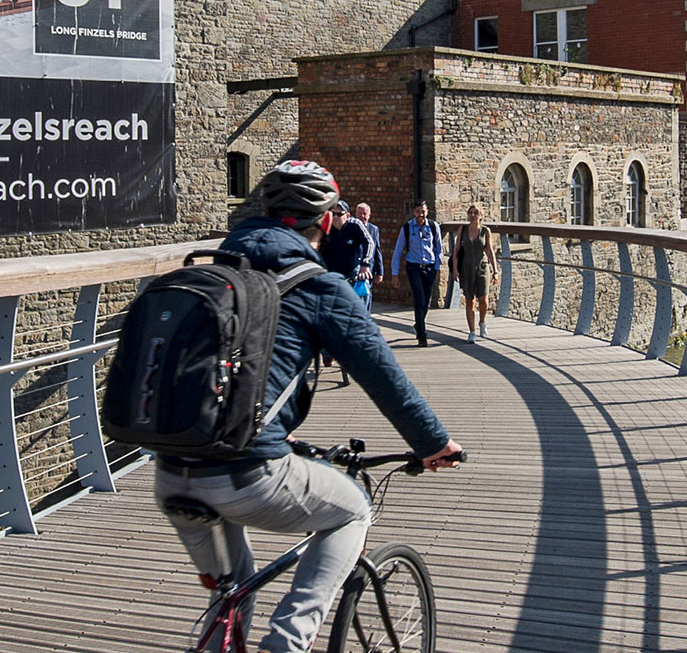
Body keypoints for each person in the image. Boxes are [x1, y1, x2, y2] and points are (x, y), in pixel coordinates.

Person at [154, 160, 463, 653]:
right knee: (353, 511)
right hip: (244, 474)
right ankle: (288, 642)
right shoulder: (319, 287)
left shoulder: (217, 270)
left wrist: (279, 428)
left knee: (232, 594)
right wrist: (432, 443)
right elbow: (384, 375)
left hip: (171, 469)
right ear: (325, 221)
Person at [391, 200, 442, 347]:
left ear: (427, 212)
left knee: (426, 301)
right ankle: (422, 335)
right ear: (414, 212)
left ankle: (418, 324)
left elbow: (438, 247)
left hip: (430, 267)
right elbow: (398, 251)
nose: (421, 214)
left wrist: (437, 266)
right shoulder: (407, 228)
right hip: (414, 267)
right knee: (419, 299)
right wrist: (395, 273)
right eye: (418, 211)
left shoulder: (433, 226)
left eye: (423, 211)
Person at [453, 204, 498, 344]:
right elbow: (456, 251)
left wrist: (495, 271)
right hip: (466, 268)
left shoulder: (485, 231)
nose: (472, 215)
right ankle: (472, 331)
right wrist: (455, 269)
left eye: (476, 213)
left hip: (482, 267)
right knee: (469, 300)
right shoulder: (463, 229)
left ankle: (482, 322)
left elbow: (489, 251)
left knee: (483, 299)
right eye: (470, 213)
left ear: (481, 216)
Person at [353, 202, 384, 314]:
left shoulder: (374, 229)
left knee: (367, 293)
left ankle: (366, 315)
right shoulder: (351, 228)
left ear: (369, 215)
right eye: (360, 213)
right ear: (355, 214)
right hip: (355, 267)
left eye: (364, 214)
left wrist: (380, 272)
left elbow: (377, 251)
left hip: (369, 269)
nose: (362, 216)